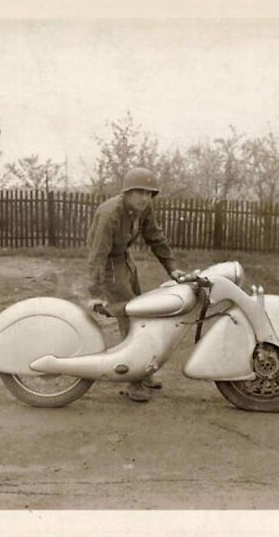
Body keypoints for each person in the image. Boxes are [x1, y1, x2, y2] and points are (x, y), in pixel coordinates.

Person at [86, 167, 186, 402]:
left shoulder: (144, 208)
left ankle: (143, 369)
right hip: (110, 263)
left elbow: (155, 237)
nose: (144, 197)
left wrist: (173, 268)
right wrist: (96, 292)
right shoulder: (110, 213)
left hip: (124, 259)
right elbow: (97, 255)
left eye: (149, 193)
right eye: (139, 192)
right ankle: (132, 379)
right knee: (130, 318)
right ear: (127, 192)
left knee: (144, 312)